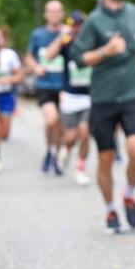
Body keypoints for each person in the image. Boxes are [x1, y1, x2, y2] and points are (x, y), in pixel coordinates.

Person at [70, 0, 135, 233]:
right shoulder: (93, 21)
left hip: (133, 93)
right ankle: (110, 210)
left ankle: (128, 194)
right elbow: (79, 59)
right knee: (105, 158)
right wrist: (106, 50)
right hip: (103, 96)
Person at [42, 10, 93, 186]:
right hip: (70, 96)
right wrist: (61, 37)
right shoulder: (66, 42)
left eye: (81, 25)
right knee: (70, 137)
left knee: (85, 132)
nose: (78, 28)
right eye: (74, 25)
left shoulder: (92, 41)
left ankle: (80, 168)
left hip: (90, 95)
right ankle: (64, 149)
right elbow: (49, 56)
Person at [27, 0, 67, 175]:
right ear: (45, 14)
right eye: (51, 11)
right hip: (45, 84)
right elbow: (28, 56)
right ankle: (50, 149)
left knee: (60, 124)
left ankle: (55, 154)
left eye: (57, 11)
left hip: (64, 85)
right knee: (51, 119)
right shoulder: (37, 35)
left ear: (63, 13)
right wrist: (36, 67)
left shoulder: (68, 34)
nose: (54, 14)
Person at [0, 26, 25, 174]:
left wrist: (9, 79)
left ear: (4, 39)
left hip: (6, 95)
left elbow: (20, 75)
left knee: (4, 132)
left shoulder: (10, 55)